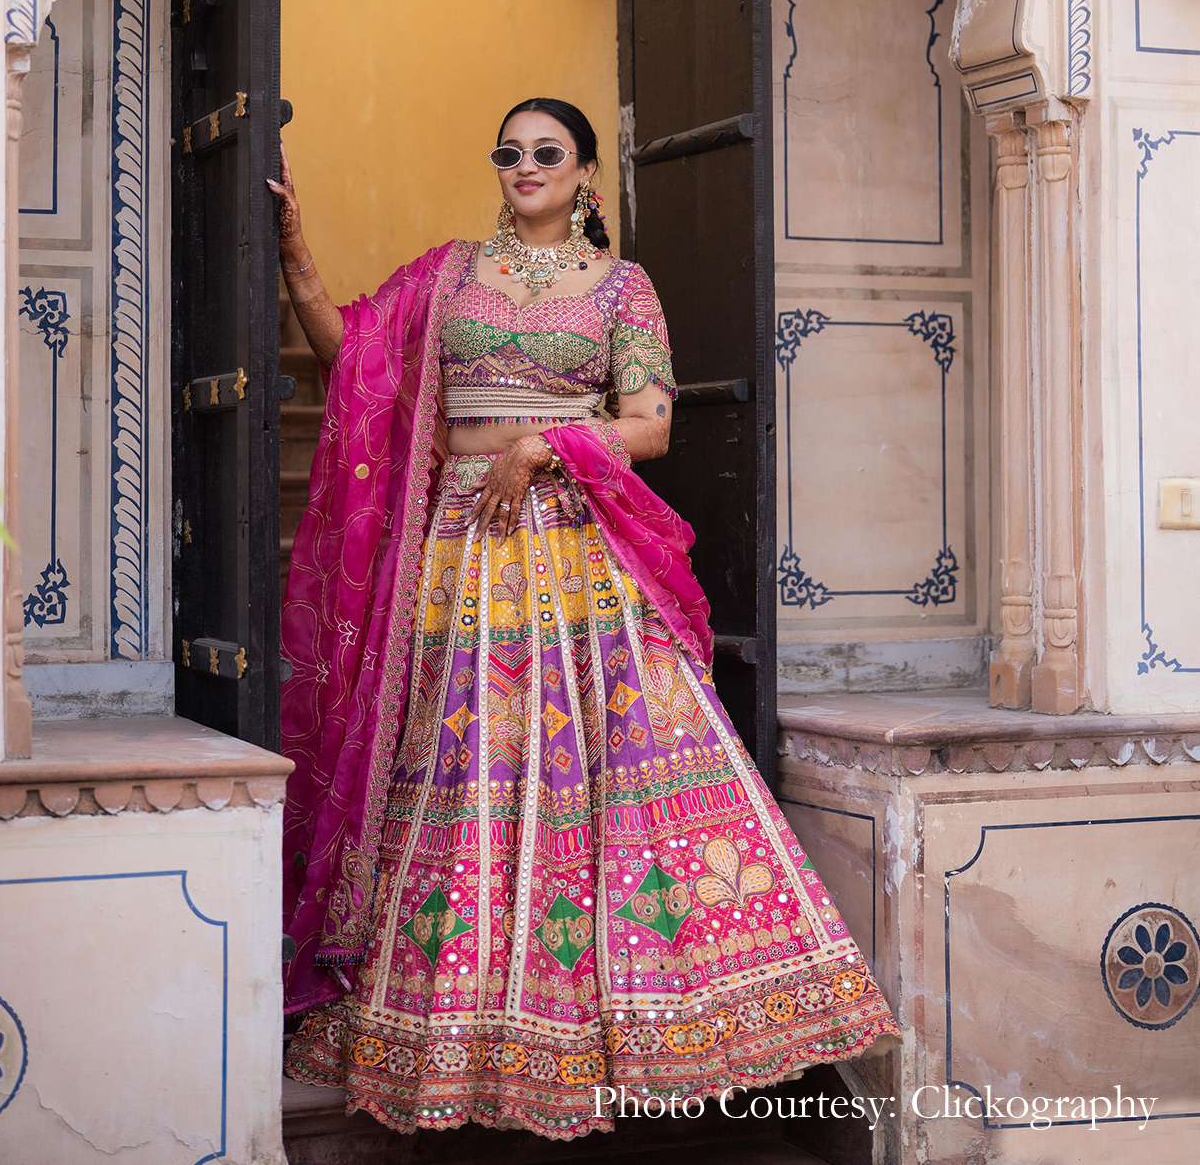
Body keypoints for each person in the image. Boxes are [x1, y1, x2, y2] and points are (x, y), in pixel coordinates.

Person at [275, 98, 897, 1139]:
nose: (525, 166)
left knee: (601, 776)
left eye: (546, 153)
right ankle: (461, 1031)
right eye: (509, 152)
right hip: (461, 560)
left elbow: (649, 426)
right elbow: (356, 362)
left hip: (571, 554)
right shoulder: (446, 278)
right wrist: (295, 255)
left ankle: (635, 1022)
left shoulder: (621, 287)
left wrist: (546, 446)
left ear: (584, 175)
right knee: (465, 772)